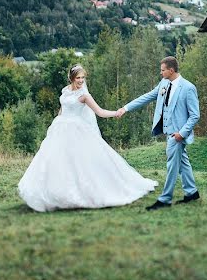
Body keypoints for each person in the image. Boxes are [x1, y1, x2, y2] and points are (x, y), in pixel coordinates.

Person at [18, 64, 157, 212]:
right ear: (71, 78)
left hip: (77, 131)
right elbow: (62, 109)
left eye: (83, 78)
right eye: (78, 78)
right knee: (56, 161)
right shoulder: (65, 91)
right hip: (60, 129)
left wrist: (117, 112)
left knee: (80, 162)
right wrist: (55, 125)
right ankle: (55, 193)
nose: (81, 80)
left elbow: (100, 112)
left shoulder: (84, 95)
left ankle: (83, 193)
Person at [116, 56, 200, 210]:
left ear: (171, 70)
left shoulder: (188, 88)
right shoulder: (164, 83)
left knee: (172, 166)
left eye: (162, 70)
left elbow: (195, 115)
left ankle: (165, 199)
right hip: (169, 132)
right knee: (183, 162)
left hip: (177, 135)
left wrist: (182, 133)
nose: (160, 73)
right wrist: (125, 108)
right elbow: (147, 97)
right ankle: (192, 192)